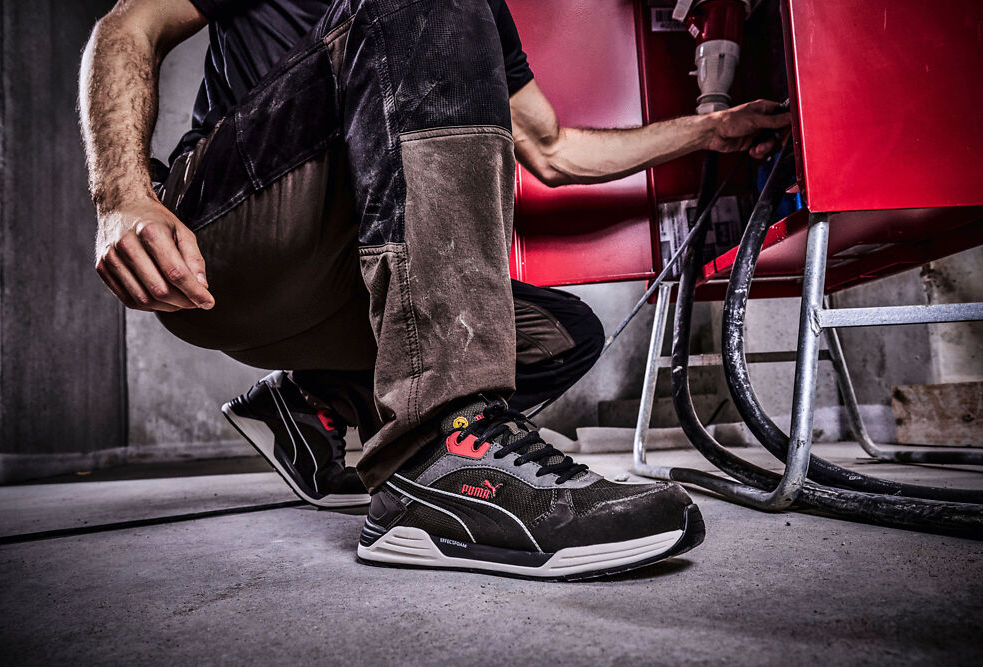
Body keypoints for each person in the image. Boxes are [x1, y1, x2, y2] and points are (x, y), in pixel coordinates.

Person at [80, 0, 789, 579]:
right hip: (222, 241)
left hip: (330, 280)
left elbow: (554, 149)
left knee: (561, 333)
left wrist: (709, 129)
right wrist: (121, 195)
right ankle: (437, 453)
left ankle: (314, 404)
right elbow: (130, 24)